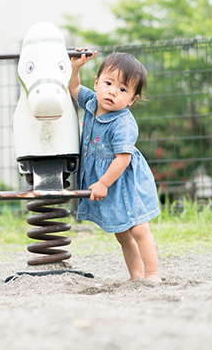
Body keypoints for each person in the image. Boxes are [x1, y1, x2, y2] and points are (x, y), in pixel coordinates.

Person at [69, 50, 161, 283]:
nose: (112, 91)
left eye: (123, 89)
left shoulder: (123, 122)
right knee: (121, 233)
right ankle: (135, 276)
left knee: (139, 230)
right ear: (97, 82)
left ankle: (152, 274)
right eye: (108, 83)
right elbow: (72, 88)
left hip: (126, 183)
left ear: (132, 100)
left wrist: (102, 183)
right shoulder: (91, 102)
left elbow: (123, 159)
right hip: (110, 183)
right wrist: (75, 67)